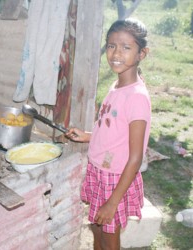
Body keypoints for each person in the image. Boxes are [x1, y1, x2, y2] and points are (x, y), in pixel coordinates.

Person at [66, 19, 151, 250]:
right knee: (96, 226)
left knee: (109, 234)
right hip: (99, 171)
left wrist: (113, 202)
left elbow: (135, 158)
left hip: (115, 179)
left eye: (126, 47)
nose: (116, 53)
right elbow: (112, 130)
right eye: (111, 45)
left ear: (142, 53)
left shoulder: (136, 98)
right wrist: (87, 136)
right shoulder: (117, 85)